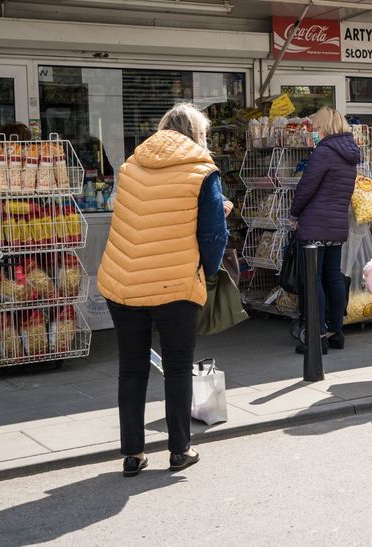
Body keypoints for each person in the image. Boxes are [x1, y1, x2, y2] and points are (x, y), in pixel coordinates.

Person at [97, 103, 230, 477]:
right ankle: (179, 449)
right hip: (174, 282)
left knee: (132, 368)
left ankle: (133, 454)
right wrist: (208, 270)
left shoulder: (130, 167)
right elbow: (213, 235)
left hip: (122, 279)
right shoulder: (203, 171)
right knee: (176, 368)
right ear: (197, 135)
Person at [288, 107, 361, 354]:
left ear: (326, 127)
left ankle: (317, 334)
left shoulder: (324, 151)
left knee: (314, 278)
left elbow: (307, 186)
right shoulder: (350, 153)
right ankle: (336, 332)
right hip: (337, 223)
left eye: (316, 127)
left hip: (315, 223)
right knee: (333, 276)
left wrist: (294, 213)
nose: (314, 132)